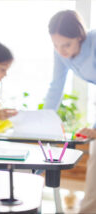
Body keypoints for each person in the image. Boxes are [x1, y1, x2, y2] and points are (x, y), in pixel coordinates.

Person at [43, 10, 96, 213]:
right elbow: (56, 87)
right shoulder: (61, 54)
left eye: (66, 45)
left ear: (80, 37)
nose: (61, 50)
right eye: (56, 45)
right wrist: (45, 122)